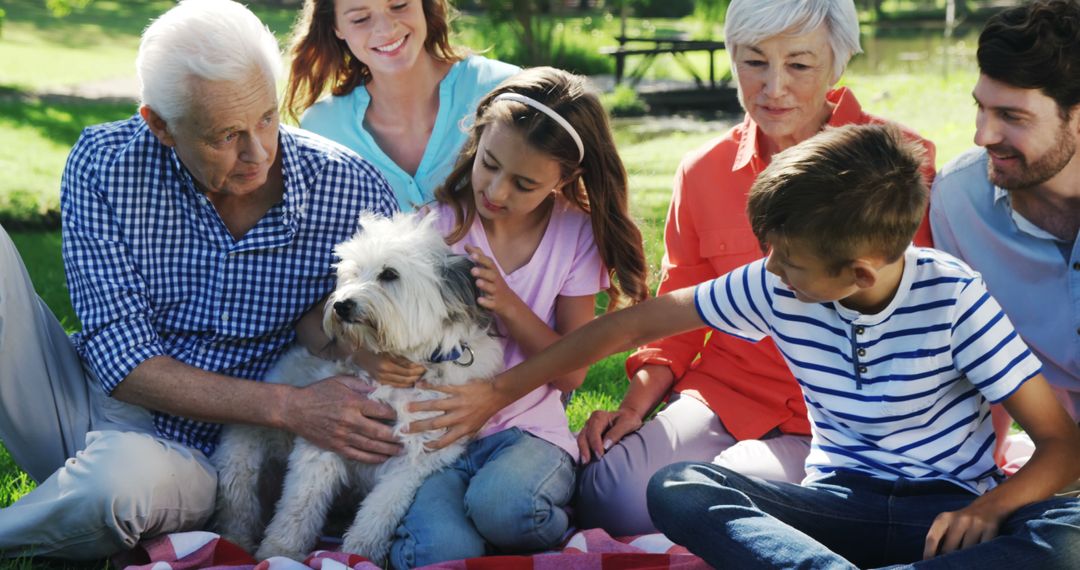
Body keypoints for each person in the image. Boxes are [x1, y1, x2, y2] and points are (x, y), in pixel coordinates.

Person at [413, 123, 1080, 568]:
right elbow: (635, 326)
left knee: (1067, 529)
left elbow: (1060, 442)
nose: (772, 269)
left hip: (945, 510)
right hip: (831, 505)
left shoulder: (955, 297)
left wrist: (988, 509)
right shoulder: (776, 282)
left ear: (860, 274)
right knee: (679, 488)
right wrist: (501, 389)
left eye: (788, 260)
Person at [0, 0, 399, 559]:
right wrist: (289, 405)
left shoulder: (351, 190)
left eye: (266, 117)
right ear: (159, 125)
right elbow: (121, 360)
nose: (257, 152)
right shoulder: (103, 162)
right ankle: (75, 494)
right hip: (90, 400)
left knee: (115, 484)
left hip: (209, 457)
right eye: (225, 136)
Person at [572, 0, 938, 536]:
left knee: (720, 495)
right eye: (754, 62)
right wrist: (633, 408)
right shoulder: (703, 172)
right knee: (607, 497)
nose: (773, 87)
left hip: (836, 416)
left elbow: (924, 321)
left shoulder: (904, 164)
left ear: (836, 64)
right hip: (725, 391)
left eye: (799, 64)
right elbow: (675, 315)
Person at [387, 66, 648, 568]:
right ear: (479, 134)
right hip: (440, 434)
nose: (497, 192)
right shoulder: (435, 228)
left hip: (528, 431)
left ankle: (534, 525)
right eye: (489, 164)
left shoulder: (575, 236)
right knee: (442, 552)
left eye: (525, 184)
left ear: (564, 179)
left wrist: (508, 305)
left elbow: (572, 371)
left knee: (503, 508)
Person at [929, 0, 1080, 471]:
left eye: (1012, 117)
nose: (982, 135)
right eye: (981, 107)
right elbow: (971, 358)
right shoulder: (957, 201)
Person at [285, 0, 519, 212]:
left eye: (399, 5)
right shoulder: (322, 128)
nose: (387, 29)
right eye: (360, 19)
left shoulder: (504, 90)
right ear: (336, 27)